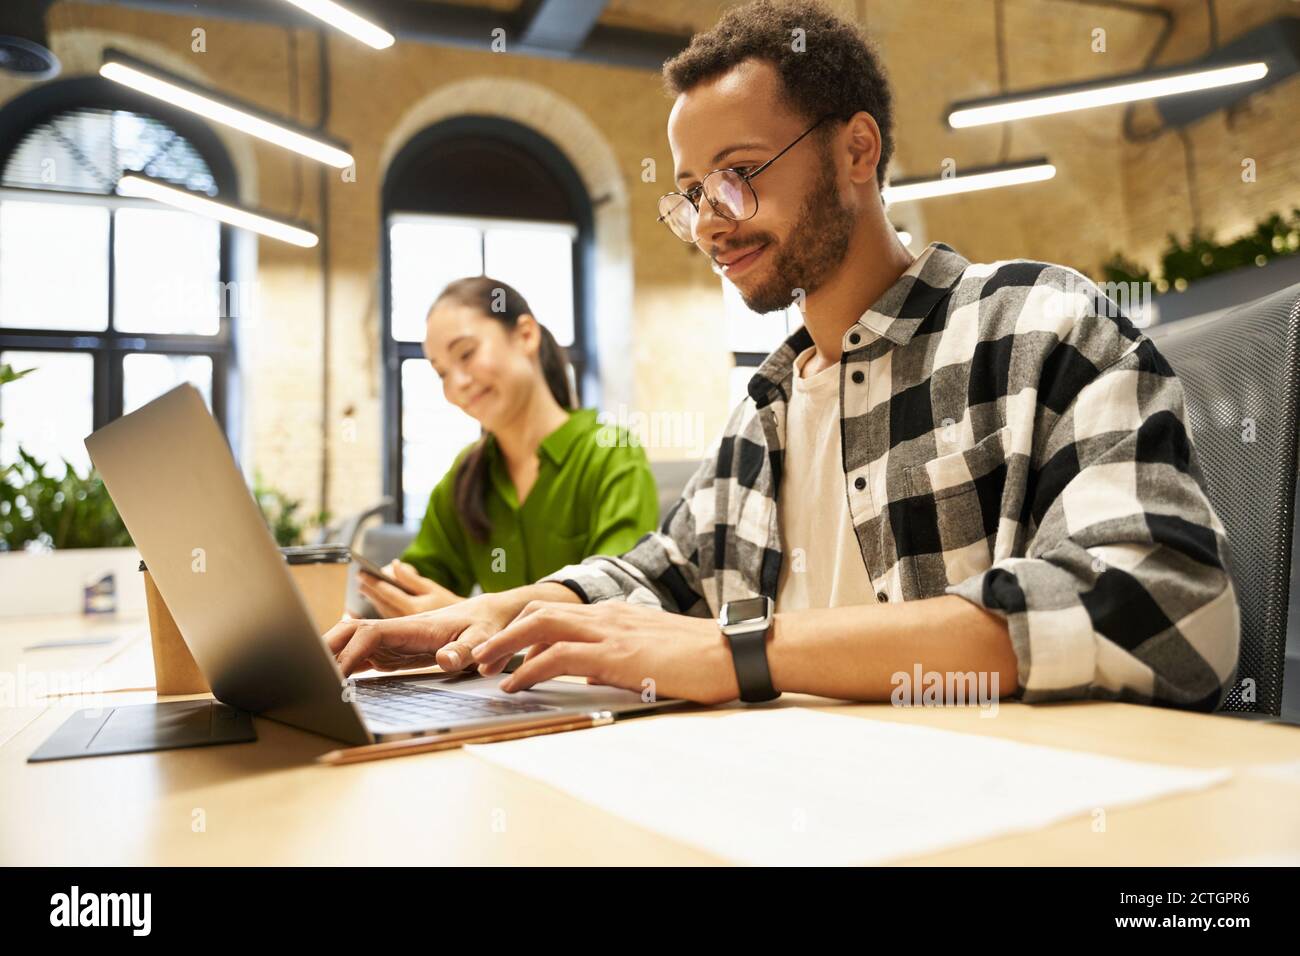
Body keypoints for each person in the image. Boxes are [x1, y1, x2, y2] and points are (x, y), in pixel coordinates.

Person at [330, 0, 1239, 708]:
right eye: (690, 194)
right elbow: (668, 573)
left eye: (740, 172)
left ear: (857, 150)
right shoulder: (767, 407)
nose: (710, 222)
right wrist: (512, 609)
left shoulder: (1036, 327)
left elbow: (1170, 608)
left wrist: (744, 654)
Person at [356, 276, 658, 619]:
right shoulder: (466, 474)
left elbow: (620, 601)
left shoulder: (610, 453)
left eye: (466, 354)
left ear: (526, 335)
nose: (458, 383)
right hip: (497, 674)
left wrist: (471, 614)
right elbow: (422, 579)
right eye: (441, 374)